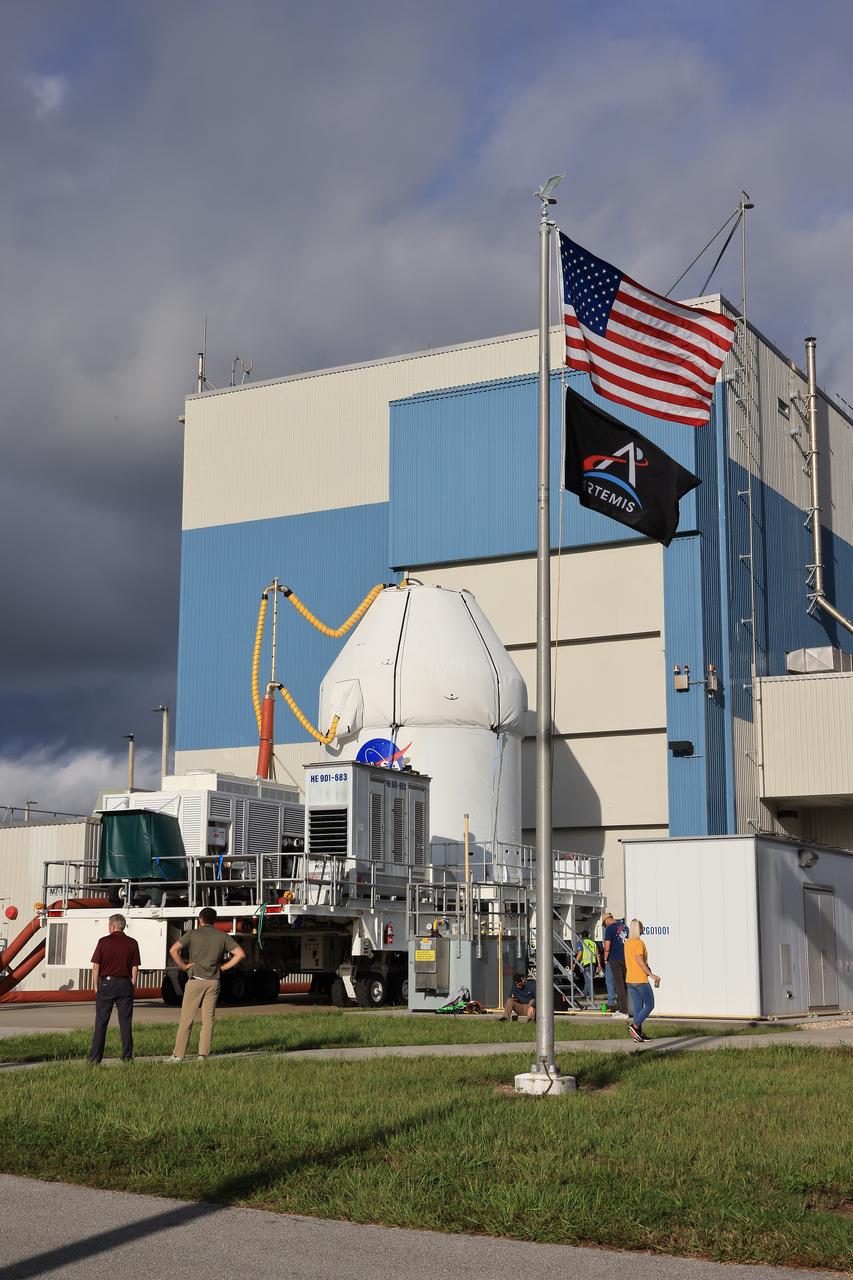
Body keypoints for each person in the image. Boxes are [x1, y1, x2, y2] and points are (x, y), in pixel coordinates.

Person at [167, 907, 245, 1061]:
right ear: (214, 920)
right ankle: (203, 1055)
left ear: (200, 919)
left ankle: (178, 1055)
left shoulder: (193, 934)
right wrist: (223, 967)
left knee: (187, 1020)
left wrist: (183, 966)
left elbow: (173, 950)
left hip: (196, 980)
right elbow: (240, 954)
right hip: (213, 982)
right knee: (208, 1020)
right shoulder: (223, 936)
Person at [88, 914, 140, 1064]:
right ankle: (127, 1056)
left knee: (101, 1022)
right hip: (125, 985)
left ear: (112, 926)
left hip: (107, 984)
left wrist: (96, 987)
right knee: (125, 1022)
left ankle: (95, 1058)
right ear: (123, 926)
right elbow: (134, 968)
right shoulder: (132, 943)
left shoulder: (103, 942)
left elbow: (96, 967)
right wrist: (132, 985)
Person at [624, 918, 661, 1043]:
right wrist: (651, 974)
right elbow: (639, 960)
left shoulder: (627, 943)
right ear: (638, 929)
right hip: (640, 979)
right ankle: (634, 1026)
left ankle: (638, 1034)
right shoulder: (639, 943)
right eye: (642, 927)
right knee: (650, 1004)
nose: (643, 929)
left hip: (630, 979)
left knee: (638, 1008)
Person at [602, 911, 630, 1017]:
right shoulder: (625, 927)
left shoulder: (610, 929)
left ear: (607, 920)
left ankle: (623, 1011)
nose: (605, 925)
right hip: (625, 958)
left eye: (604, 923)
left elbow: (607, 946)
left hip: (615, 959)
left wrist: (605, 959)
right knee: (625, 984)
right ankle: (623, 1007)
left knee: (619, 985)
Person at [574, 930, 601, 1007]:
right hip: (593, 962)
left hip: (585, 963)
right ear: (589, 935)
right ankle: (585, 993)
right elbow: (597, 954)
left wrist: (575, 962)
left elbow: (580, 952)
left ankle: (591, 995)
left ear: (581, 936)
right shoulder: (593, 943)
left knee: (588, 980)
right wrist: (599, 965)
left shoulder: (581, 942)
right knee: (589, 979)